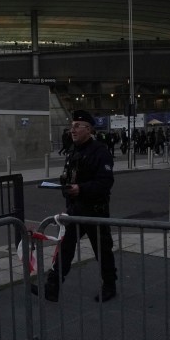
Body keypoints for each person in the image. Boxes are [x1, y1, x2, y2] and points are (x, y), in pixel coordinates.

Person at [32, 109, 117, 303]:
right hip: (75, 210)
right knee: (65, 248)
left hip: (95, 211)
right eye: (72, 126)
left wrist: (81, 189)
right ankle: (52, 287)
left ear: (89, 129)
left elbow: (105, 183)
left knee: (103, 251)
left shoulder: (100, 151)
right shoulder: (72, 151)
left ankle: (110, 286)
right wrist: (65, 189)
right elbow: (68, 178)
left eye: (77, 126)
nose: (73, 129)